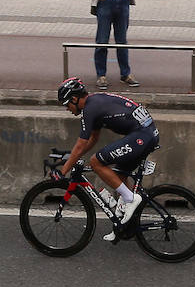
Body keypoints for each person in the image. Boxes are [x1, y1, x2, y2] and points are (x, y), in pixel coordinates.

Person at [54, 76, 159, 239]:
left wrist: (63, 171)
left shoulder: (90, 109)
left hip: (142, 136)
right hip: (146, 133)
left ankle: (131, 199)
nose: (67, 109)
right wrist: (73, 158)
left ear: (74, 99)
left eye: (66, 104)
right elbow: (92, 139)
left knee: (96, 162)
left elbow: (81, 144)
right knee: (118, 176)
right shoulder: (94, 103)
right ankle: (123, 225)